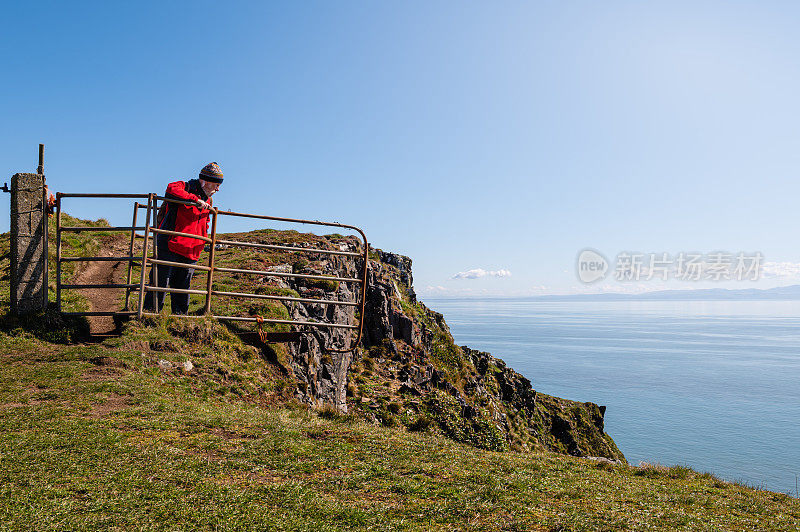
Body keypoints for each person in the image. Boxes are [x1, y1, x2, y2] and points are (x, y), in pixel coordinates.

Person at [143, 162, 223, 314]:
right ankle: (150, 316)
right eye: (216, 184)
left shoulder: (209, 200)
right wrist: (194, 199)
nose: (218, 189)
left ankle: (179, 319)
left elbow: (205, 222)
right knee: (160, 282)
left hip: (191, 251)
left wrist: (201, 240)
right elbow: (171, 188)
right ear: (204, 181)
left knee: (182, 287)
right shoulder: (185, 187)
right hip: (170, 245)